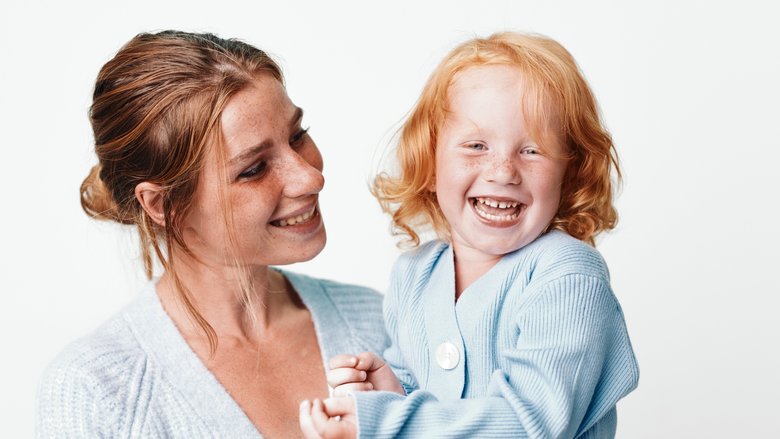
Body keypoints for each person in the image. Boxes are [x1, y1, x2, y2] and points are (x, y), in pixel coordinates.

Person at [36, 30, 388, 438]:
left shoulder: (381, 322)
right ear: (162, 205)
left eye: (297, 136)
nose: (310, 177)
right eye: (253, 169)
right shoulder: (95, 392)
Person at [299, 32, 639, 438]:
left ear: (572, 171)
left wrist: (386, 424)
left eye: (532, 150)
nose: (503, 171)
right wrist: (391, 393)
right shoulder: (414, 275)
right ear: (430, 159)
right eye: (476, 145)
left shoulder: (567, 277)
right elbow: (430, 406)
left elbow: (535, 422)